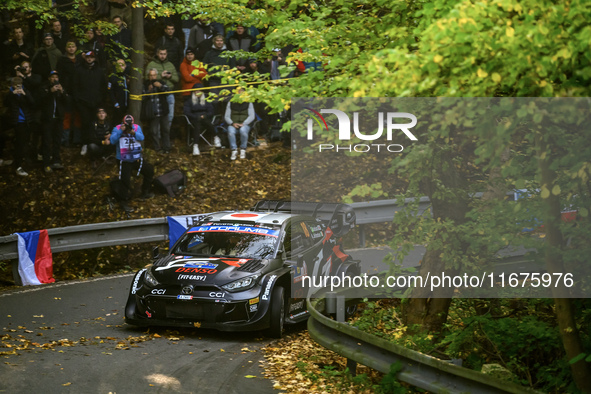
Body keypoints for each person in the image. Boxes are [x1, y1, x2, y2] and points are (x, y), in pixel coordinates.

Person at [108, 114, 154, 212]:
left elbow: (141, 138)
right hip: (124, 160)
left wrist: (134, 133)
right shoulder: (117, 128)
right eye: (127, 124)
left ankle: (145, 192)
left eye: (130, 124)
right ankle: (123, 202)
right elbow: (112, 140)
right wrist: (121, 130)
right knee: (125, 180)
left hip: (136, 158)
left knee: (149, 170)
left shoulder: (137, 128)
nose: (129, 126)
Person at [73, 50, 108, 156]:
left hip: (96, 102)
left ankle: (94, 144)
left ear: (94, 58)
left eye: (91, 57)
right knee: (85, 123)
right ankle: (84, 143)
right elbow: (74, 86)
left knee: (95, 124)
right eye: (88, 57)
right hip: (83, 102)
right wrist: (77, 100)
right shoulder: (79, 70)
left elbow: (104, 86)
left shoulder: (99, 71)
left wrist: (102, 100)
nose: (89, 59)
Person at [39, 70, 68, 173]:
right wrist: (50, 92)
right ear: (49, 78)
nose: (55, 79)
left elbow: (68, 102)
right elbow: (39, 101)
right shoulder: (44, 87)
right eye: (53, 77)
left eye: (56, 77)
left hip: (58, 119)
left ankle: (56, 160)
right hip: (47, 119)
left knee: (57, 140)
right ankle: (46, 163)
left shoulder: (61, 87)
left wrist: (62, 92)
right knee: (47, 141)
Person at [6, 77, 35, 176]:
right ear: (12, 85)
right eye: (15, 85)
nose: (17, 87)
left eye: (19, 85)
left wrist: (24, 94)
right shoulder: (10, 93)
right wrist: (12, 94)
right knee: (20, 144)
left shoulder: (25, 91)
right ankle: (18, 166)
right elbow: (5, 104)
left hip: (26, 121)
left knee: (25, 142)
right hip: (16, 122)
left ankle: (21, 162)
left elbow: (32, 103)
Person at [145, 48, 178, 130]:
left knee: (170, 116)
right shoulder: (151, 64)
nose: (162, 56)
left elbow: (177, 79)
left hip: (169, 93)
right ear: (157, 54)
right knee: (157, 117)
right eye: (161, 54)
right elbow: (146, 78)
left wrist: (170, 76)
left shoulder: (170, 64)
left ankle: (166, 135)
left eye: (164, 54)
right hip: (158, 95)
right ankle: (159, 137)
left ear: (166, 54)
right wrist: (161, 76)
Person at [56, 40, 82, 146]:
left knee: (77, 115)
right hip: (66, 92)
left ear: (76, 48)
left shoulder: (80, 60)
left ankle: (77, 140)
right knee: (66, 115)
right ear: (66, 48)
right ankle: (65, 140)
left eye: (73, 46)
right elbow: (58, 76)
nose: (71, 48)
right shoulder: (62, 60)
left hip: (79, 93)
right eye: (69, 47)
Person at [142, 68, 171, 153]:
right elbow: (142, 97)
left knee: (165, 130)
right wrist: (148, 91)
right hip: (153, 113)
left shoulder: (161, 82)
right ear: (148, 76)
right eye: (151, 75)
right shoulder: (145, 84)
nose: (153, 77)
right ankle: (157, 148)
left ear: (156, 75)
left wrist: (160, 86)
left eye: (154, 75)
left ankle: (167, 148)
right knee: (153, 131)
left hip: (163, 111)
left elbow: (168, 91)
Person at [183, 83, 216, 155]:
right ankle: (195, 146)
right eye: (196, 91)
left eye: (199, 91)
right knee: (197, 124)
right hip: (194, 118)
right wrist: (196, 116)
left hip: (205, 118)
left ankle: (215, 137)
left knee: (206, 121)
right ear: (193, 92)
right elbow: (186, 112)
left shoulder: (206, 99)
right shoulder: (189, 101)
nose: (198, 92)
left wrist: (205, 116)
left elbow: (211, 111)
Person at [224, 91, 255, 160]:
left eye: (242, 92)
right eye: (238, 92)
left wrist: (244, 123)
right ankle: (234, 150)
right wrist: (232, 123)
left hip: (245, 124)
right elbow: (226, 116)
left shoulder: (249, 103)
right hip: (233, 124)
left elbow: (252, 116)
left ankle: (243, 149)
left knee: (243, 131)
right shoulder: (230, 103)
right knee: (230, 131)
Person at [108, 58, 130, 122]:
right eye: (118, 65)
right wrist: (115, 103)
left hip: (127, 105)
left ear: (125, 66)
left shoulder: (126, 77)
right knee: (116, 122)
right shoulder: (113, 77)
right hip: (118, 105)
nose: (120, 67)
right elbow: (110, 91)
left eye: (122, 65)